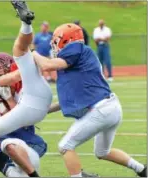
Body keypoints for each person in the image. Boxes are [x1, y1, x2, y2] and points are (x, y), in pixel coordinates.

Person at [32, 23, 147, 177]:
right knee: (102, 152)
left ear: (68, 40)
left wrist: (32, 52)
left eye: (57, 40)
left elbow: (46, 65)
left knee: (65, 145)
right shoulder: (81, 60)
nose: (54, 44)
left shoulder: (76, 48)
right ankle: (142, 169)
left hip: (101, 109)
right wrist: (43, 111)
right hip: (110, 107)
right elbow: (69, 100)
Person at [0, 1, 52, 175]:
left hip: (29, 122)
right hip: (36, 105)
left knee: (19, 49)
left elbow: (17, 77)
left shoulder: (13, 73)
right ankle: (26, 23)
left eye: (0, 67)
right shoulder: (8, 90)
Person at [0, 52, 47, 177]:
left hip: (27, 139)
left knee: (2, 143)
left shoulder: (23, 87)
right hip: (13, 136)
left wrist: (9, 99)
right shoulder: (0, 91)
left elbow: (20, 119)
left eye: (1, 67)